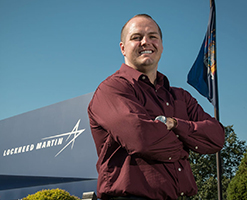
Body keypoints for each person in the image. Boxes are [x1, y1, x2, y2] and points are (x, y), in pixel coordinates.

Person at [87, 14, 225, 200]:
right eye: (136, 37)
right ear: (123, 48)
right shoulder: (112, 89)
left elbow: (216, 137)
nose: (146, 42)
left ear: (161, 45)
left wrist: (175, 124)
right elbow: (142, 139)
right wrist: (186, 145)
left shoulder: (181, 97)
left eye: (153, 37)